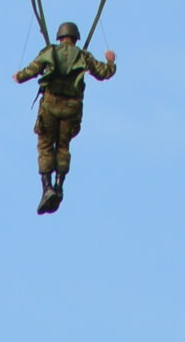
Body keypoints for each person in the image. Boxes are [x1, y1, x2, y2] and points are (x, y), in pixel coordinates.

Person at [15, 23, 116, 214]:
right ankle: (59, 186)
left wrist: (19, 76)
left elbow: (32, 70)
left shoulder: (50, 52)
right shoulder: (83, 56)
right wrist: (110, 61)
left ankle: (47, 188)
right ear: (76, 39)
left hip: (50, 107)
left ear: (60, 37)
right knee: (63, 146)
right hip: (71, 109)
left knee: (45, 146)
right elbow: (104, 73)